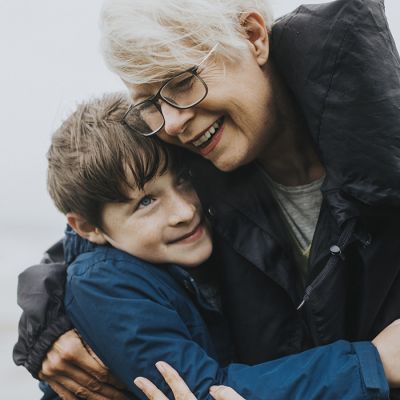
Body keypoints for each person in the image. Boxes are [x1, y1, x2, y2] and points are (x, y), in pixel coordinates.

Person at [13, 0, 400, 398]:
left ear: (252, 36)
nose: (172, 122)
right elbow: (102, 226)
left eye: (181, 81)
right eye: (148, 103)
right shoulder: (193, 149)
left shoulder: (385, 149)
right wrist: (50, 320)